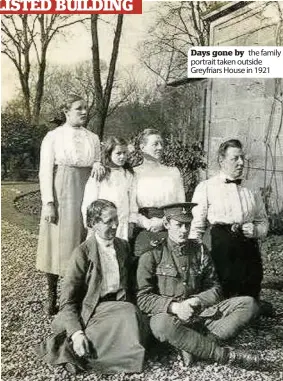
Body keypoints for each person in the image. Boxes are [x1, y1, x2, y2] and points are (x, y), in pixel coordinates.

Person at [136, 202, 261, 369]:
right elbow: (143, 297)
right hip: (171, 317)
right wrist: (176, 307)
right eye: (179, 225)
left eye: (187, 224)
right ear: (166, 224)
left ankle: (195, 345)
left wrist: (197, 301)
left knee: (249, 304)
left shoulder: (199, 250)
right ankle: (224, 355)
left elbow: (215, 288)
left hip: (200, 313)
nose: (184, 230)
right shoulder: (152, 254)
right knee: (161, 325)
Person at [38, 199, 145, 375]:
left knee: (135, 320)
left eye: (116, 219)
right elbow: (68, 301)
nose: (115, 225)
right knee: (128, 315)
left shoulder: (123, 246)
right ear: (94, 223)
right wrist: (77, 333)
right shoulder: (82, 253)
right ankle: (79, 354)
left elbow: (132, 284)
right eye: (108, 221)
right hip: (92, 308)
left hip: (118, 303)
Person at [36, 95, 104, 315]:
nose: (84, 112)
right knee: (58, 242)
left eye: (85, 108)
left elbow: (97, 160)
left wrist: (97, 164)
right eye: (78, 108)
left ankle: (78, 295)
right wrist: (48, 202)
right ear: (66, 112)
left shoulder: (93, 138)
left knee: (84, 239)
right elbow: (45, 171)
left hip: (88, 188)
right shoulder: (53, 136)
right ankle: (52, 295)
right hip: (63, 189)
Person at [189, 139, 268, 300]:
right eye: (235, 158)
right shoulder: (206, 187)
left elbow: (263, 221)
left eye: (242, 158)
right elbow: (197, 225)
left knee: (251, 288)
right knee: (222, 290)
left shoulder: (252, 188)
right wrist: (194, 255)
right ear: (221, 160)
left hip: (248, 246)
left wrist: (256, 230)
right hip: (220, 246)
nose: (240, 163)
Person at [130, 128, 185, 256]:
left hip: (171, 227)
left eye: (161, 144)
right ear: (142, 147)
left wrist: (165, 222)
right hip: (143, 228)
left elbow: (181, 206)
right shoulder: (133, 174)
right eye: (155, 144)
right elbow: (130, 207)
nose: (160, 147)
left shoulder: (173, 172)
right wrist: (146, 223)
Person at [81, 137, 134, 241]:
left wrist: (131, 221)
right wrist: (90, 224)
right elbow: (88, 201)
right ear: (109, 154)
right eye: (118, 153)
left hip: (121, 221)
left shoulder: (128, 174)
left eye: (125, 153)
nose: (122, 156)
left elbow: (132, 200)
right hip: (102, 221)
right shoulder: (99, 173)